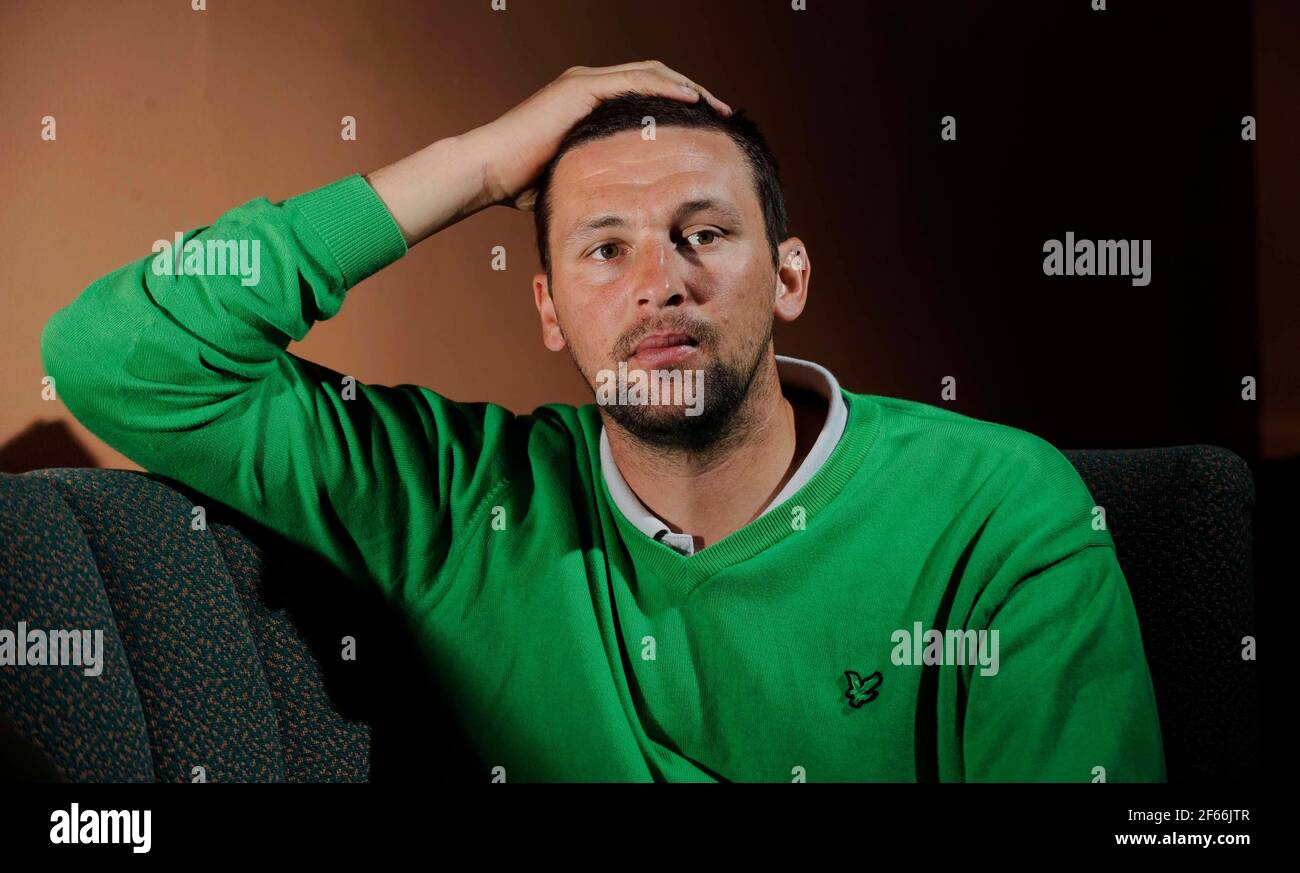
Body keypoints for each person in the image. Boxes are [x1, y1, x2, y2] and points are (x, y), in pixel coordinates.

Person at [42, 61, 1165, 782]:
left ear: (788, 277)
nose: (657, 283)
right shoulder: (458, 502)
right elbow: (115, 361)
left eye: (703, 234)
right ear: (547, 309)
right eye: (603, 247)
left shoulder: (998, 507)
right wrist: (476, 166)